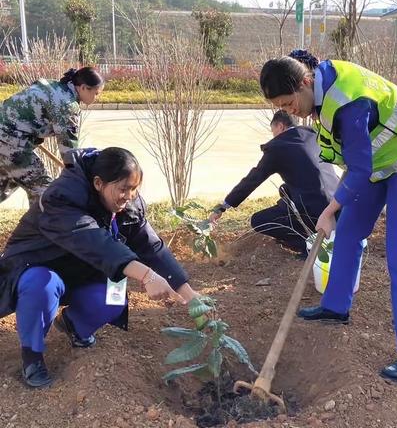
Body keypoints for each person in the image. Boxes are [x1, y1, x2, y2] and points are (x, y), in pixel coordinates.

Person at [259, 50, 397, 381]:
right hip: (377, 164)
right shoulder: (321, 87)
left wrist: (330, 209)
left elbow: (359, 167)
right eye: (281, 108)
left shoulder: (349, 104)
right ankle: (335, 307)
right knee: (349, 232)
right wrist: (338, 210)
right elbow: (360, 165)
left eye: (287, 102)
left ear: (304, 83)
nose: (289, 111)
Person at [0, 147, 197, 388]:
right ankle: (32, 357)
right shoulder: (62, 198)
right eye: (123, 189)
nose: (129, 195)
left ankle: (74, 324)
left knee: (113, 298)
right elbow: (95, 241)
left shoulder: (128, 206)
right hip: (40, 266)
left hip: (85, 269)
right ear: (98, 183)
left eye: (134, 189)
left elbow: (153, 248)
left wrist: (191, 297)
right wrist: (146, 275)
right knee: (39, 286)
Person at [209, 110, 338, 259]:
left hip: (314, 211)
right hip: (336, 206)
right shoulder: (313, 134)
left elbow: (252, 180)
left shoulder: (278, 146)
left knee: (259, 220)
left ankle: (309, 245)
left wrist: (223, 207)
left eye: (273, 131)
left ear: (280, 126)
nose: (273, 136)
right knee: (285, 192)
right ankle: (311, 236)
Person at [0, 67, 104, 205]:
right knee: (43, 189)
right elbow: (69, 151)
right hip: (10, 140)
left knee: (7, 181)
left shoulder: (55, 86)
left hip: (8, 138)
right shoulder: (67, 105)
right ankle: (42, 225)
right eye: (96, 93)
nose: (96, 98)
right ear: (84, 88)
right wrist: (80, 176)